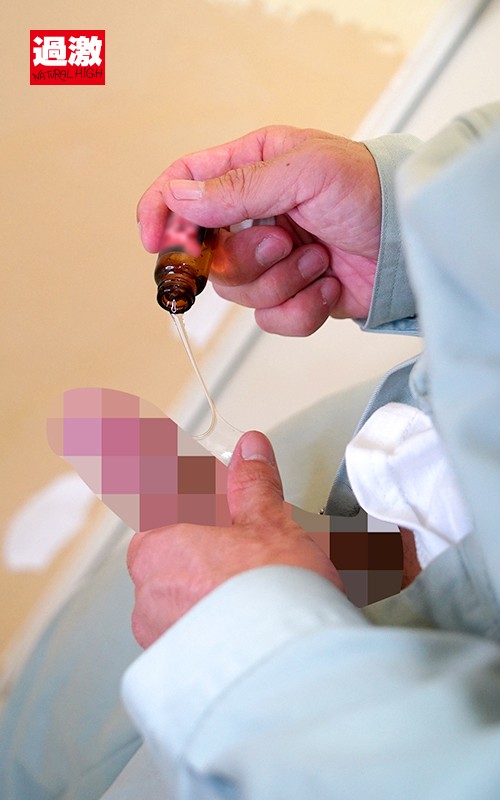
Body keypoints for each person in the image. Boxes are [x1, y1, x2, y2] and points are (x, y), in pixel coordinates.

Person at [2, 106, 500, 800]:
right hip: (369, 461)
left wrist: (256, 645)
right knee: (62, 701)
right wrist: (415, 231)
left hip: (337, 717)